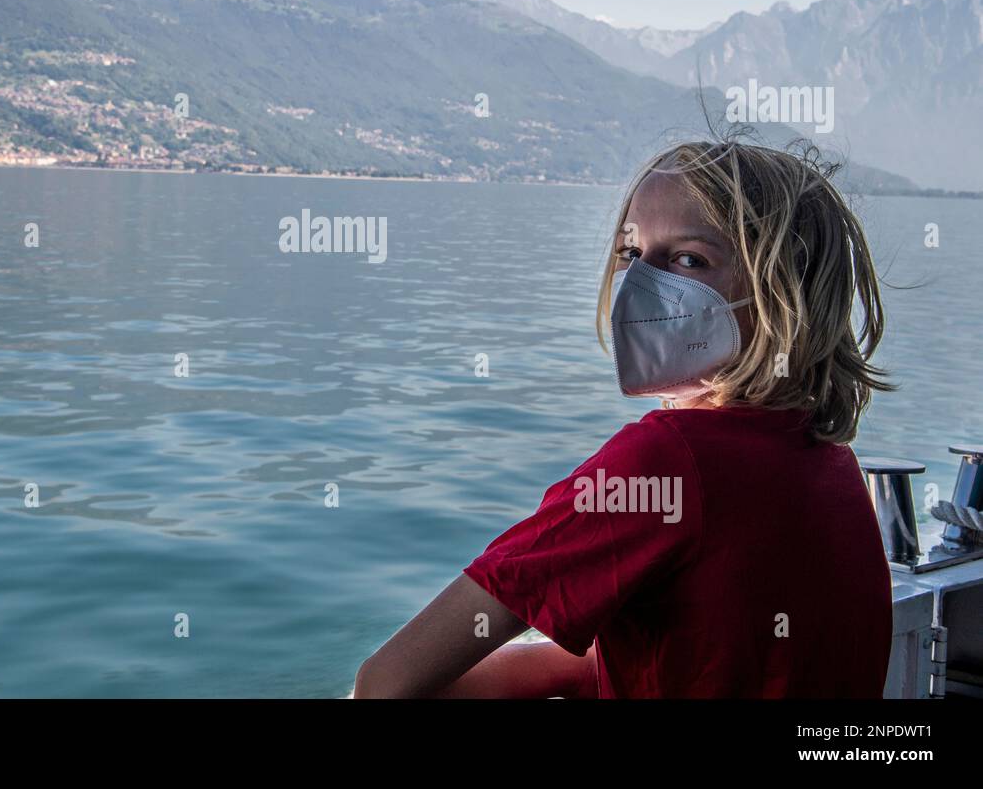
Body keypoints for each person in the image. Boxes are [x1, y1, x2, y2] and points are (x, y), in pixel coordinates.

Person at [354, 138, 894, 698]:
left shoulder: (666, 463)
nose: (641, 284)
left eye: (689, 259)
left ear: (783, 291)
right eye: (632, 254)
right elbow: (689, 655)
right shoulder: (824, 457)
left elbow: (385, 684)